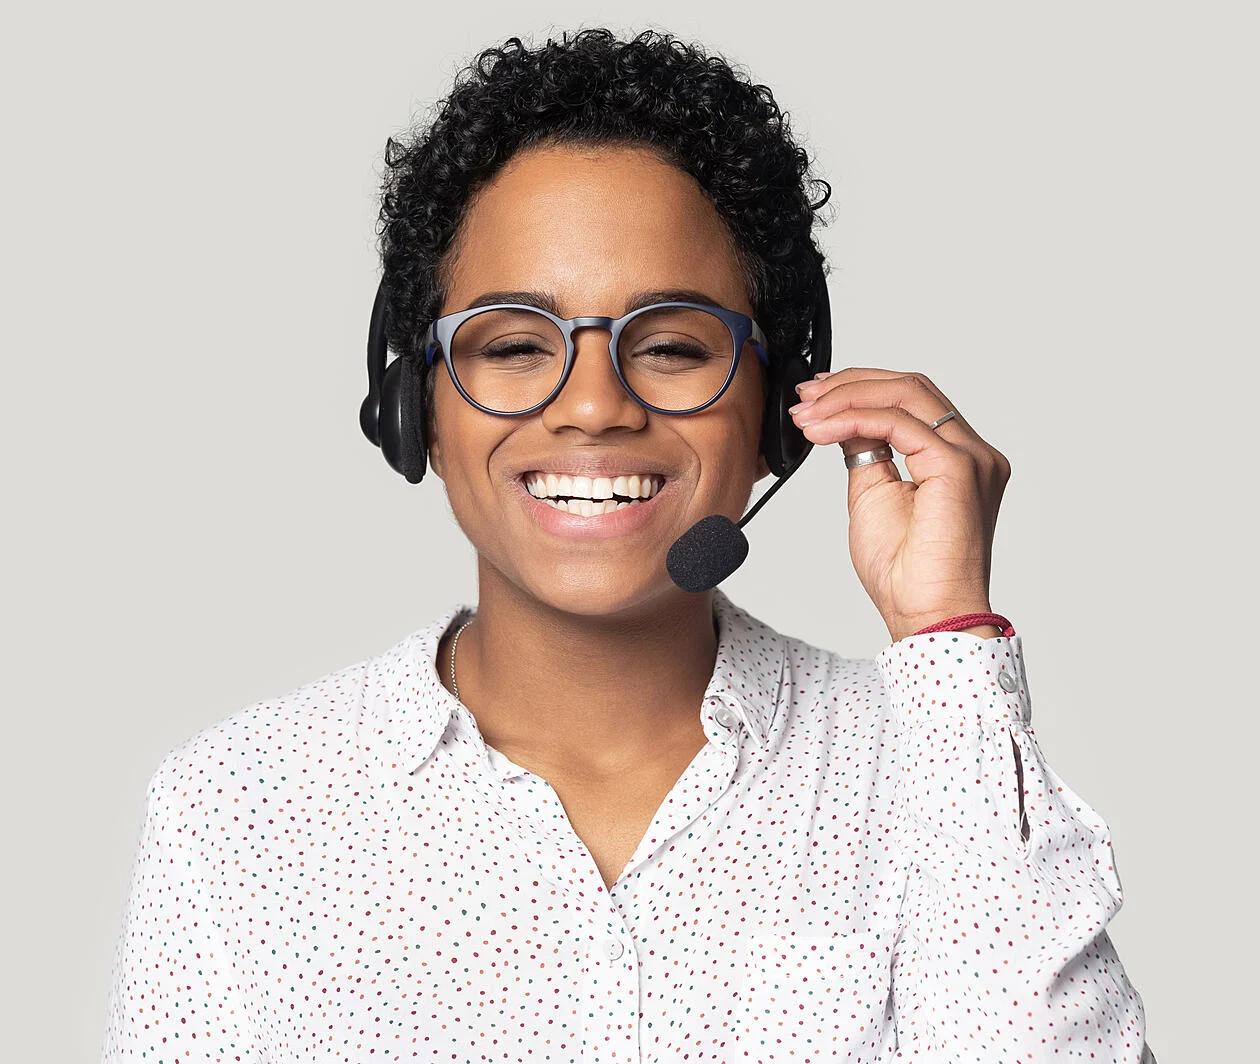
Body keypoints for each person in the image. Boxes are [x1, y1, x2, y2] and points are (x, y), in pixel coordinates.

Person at [103, 27, 1154, 1062]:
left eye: (670, 345)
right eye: (515, 344)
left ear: (781, 411)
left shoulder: (928, 765)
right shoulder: (239, 808)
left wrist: (946, 632)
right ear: (410, 404)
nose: (595, 404)